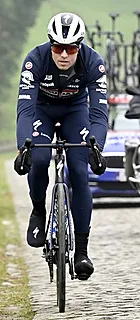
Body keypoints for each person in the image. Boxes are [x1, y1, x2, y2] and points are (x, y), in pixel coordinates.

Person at [14, 12, 108, 280]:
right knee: (40, 158)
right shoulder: (35, 61)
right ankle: (38, 210)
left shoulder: (93, 63)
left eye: (70, 49)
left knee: (79, 171)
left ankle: (81, 251)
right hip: (41, 111)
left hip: (74, 111)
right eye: (57, 48)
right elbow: (25, 108)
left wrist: (96, 147)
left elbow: (99, 113)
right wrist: (24, 147)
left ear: (79, 46)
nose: (64, 55)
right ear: (50, 45)